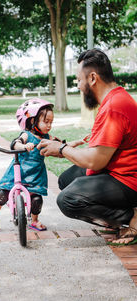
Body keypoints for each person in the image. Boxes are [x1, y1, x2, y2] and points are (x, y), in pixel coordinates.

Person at [37, 48, 137, 245]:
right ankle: (115, 219)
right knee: (67, 179)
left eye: (79, 79)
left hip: (129, 180)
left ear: (92, 78)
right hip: (116, 170)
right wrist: (65, 149)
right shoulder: (115, 99)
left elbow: (95, 160)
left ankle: (131, 217)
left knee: (68, 200)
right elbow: (99, 151)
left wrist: (62, 149)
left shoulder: (114, 107)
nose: (79, 85)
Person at [0, 98, 54, 232]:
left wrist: (75, 143)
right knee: (2, 194)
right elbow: (15, 144)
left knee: (36, 200)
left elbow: (60, 144)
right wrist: (23, 146)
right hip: (18, 171)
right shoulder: (27, 135)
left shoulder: (47, 137)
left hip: (36, 174)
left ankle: (34, 221)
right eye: (46, 122)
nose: (49, 125)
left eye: (51, 122)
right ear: (32, 121)